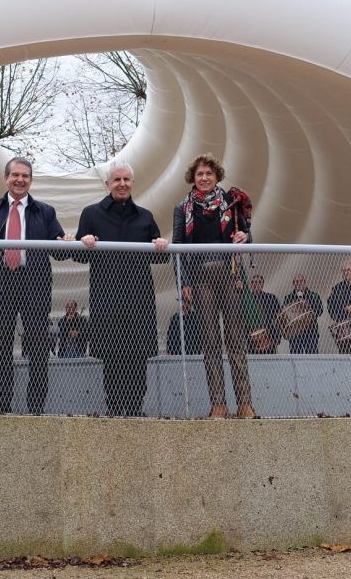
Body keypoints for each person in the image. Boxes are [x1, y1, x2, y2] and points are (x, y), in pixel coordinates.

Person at [0, 157, 73, 414]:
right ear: (6, 178)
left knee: (38, 350)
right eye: (15, 175)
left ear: (31, 180)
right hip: (1, 283)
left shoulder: (45, 211)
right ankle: (2, 407)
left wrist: (66, 240)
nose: (20, 180)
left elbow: (58, 250)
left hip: (33, 285)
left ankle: (36, 408)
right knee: (1, 349)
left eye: (25, 176)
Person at [78, 161, 169, 417]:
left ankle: (135, 409)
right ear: (107, 184)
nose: (122, 184)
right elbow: (79, 256)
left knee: (138, 358)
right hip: (107, 300)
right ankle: (116, 409)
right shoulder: (91, 214)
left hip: (139, 300)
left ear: (132, 183)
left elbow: (160, 258)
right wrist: (84, 241)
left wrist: (160, 243)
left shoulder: (145, 216)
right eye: (117, 180)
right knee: (113, 358)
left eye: (126, 180)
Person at [171, 153, 255, 419]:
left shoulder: (232, 202)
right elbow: (178, 247)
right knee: (210, 341)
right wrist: (183, 282)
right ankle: (218, 402)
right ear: (192, 178)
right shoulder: (182, 208)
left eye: (209, 173)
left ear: (217, 175)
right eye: (199, 174)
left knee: (235, 339)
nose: (204, 178)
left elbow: (247, 234)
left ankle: (244, 403)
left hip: (230, 275)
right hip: (200, 278)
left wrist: (245, 236)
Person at [282, 273, 323, 354]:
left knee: (312, 356)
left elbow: (320, 311)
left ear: (305, 282)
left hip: (310, 332)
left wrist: (308, 306)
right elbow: (284, 314)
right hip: (294, 333)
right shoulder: (288, 298)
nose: (299, 283)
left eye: (301, 281)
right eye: (296, 281)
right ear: (293, 283)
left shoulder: (314, 296)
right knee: (296, 356)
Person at [246, 274, 282, 354]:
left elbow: (279, 318)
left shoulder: (271, 298)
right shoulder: (246, 299)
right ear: (251, 284)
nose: (256, 284)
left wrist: (277, 338)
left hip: (270, 337)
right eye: (254, 282)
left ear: (262, 284)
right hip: (252, 338)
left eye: (259, 282)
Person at [167, 287, 204, 355]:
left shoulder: (195, 317)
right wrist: (170, 350)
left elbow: (200, 337)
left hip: (193, 352)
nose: (185, 305)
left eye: (187, 302)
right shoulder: (175, 318)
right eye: (183, 302)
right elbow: (170, 336)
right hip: (178, 352)